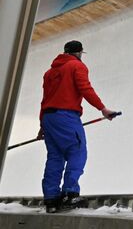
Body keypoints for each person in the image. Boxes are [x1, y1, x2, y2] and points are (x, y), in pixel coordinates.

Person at [38, 40, 115, 213]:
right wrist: (102, 109)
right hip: (66, 116)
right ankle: (70, 194)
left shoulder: (49, 73)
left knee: (55, 157)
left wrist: (42, 125)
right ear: (79, 53)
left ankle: (51, 198)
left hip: (49, 118)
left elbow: (45, 99)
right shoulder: (76, 66)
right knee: (77, 150)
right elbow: (85, 88)